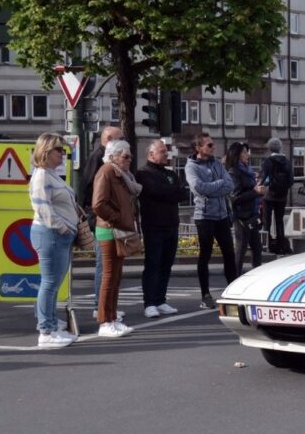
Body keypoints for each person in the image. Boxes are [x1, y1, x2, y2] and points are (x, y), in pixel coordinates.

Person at [27, 133, 79, 348]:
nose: (62, 154)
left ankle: (50, 323)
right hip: (51, 234)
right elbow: (42, 208)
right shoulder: (41, 176)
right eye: (59, 150)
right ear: (47, 152)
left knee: (54, 283)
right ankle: (46, 331)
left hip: (57, 234)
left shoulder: (50, 174)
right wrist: (63, 227)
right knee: (49, 283)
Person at [92, 139, 141, 338]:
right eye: (125, 156)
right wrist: (118, 218)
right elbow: (98, 204)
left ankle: (111, 318)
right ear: (113, 157)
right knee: (109, 276)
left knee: (116, 276)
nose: (129, 160)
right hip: (109, 230)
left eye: (130, 156)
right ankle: (104, 321)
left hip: (117, 230)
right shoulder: (106, 172)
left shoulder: (118, 174)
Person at [136, 139, 189, 319]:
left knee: (167, 264)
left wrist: (170, 191)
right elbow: (155, 192)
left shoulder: (170, 173)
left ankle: (160, 299)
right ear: (151, 154)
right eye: (162, 151)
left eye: (166, 151)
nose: (166, 154)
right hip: (153, 226)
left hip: (171, 224)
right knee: (153, 265)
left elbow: (183, 192)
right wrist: (171, 191)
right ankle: (149, 302)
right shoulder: (143, 173)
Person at [185, 133, 236, 309]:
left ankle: (233, 291)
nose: (213, 147)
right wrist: (218, 185)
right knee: (205, 255)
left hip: (222, 215)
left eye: (212, 145)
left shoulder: (216, 163)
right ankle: (205, 295)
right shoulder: (191, 167)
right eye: (209, 145)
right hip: (204, 217)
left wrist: (214, 187)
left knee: (229, 253)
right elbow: (199, 188)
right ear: (198, 148)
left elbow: (230, 185)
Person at [79, 125, 125, 321]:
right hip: (102, 220)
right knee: (104, 266)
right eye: (119, 138)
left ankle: (106, 307)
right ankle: (100, 307)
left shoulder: (107, 161)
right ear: (108, 140)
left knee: (110, 266)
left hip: (107, 218)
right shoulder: (99, 160)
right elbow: (89, 191)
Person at [227, 141, 265, 274]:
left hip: (252, 214)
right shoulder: (234, 172)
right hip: (242, 217)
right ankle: (235, 277)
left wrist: (258, 189)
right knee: (241, 249)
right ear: (237, 155)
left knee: (257, 248)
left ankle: (257, 276)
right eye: (244, 152)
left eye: (246, 152)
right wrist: (255, 192)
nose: (247, 155)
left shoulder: (247, 170)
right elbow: (235, 197)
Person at [260, 137, 293, 254]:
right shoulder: (287, 162)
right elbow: (291, 180)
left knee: (266, 221)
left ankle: (267, 245)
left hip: (268, 196)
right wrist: (283, 189)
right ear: (280, 147)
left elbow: (263, 179)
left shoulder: (267, 161)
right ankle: (281, 245)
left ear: (269, 148)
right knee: (279, 221)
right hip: (282, 196)